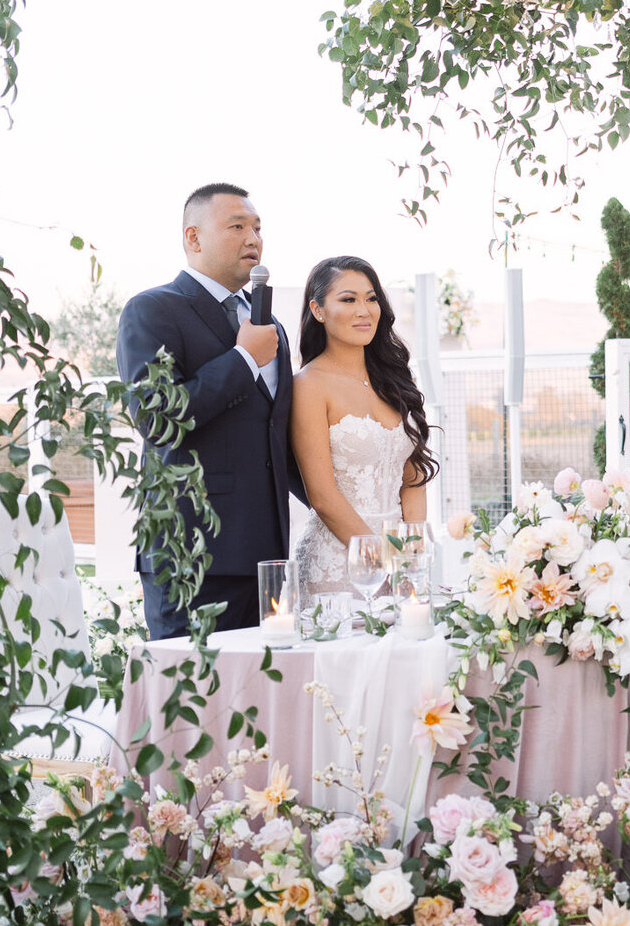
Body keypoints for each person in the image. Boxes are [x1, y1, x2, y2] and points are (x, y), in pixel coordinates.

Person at [116, 182, 303, 638]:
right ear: (193, 238)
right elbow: (157, 419)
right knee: (194, 701)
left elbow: (276, 435)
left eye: (258, 227)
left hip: (270, 560)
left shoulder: (269, 324)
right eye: (237, 226)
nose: (253, 238)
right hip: (193, 558)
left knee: (267, 701)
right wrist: (241, 360)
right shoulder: (152, 309)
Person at [289, 256, 437, 589]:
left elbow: (413, 478)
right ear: (318, 310)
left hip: (400, 561)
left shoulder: (394, 381)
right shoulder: (307, 386)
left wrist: (411, 559)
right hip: (338, 563)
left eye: (371, 298)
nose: (364, 310)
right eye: (348, 299)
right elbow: (323, 496)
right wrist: (381, 563)